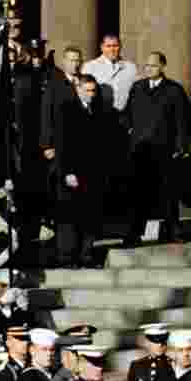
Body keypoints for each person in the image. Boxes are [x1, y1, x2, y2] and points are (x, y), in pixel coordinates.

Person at [125, 52, 191, 245]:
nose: (149, 69)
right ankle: (135, 233)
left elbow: (182, 121)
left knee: (168, 193)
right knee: (139, 193)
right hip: (140, 151)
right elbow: (128, 114)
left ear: (163, 66)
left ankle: (172, 231)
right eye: (146, 65)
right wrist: (129, 131)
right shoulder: (138, 88)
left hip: (165, 150)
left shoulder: (174, 90)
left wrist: (181, 146)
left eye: (153, 65)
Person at [53, 73, 110, 267]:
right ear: (78, 89)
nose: (91, 94)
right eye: (87, 90)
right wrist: (67, 172)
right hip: (72, 173)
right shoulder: (66, 109)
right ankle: (68, 257)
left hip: (93, 173)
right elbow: (61, 144)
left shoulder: (98, 110)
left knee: (90, 216)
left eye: (94, 91)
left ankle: (86, 255)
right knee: (70, 217)